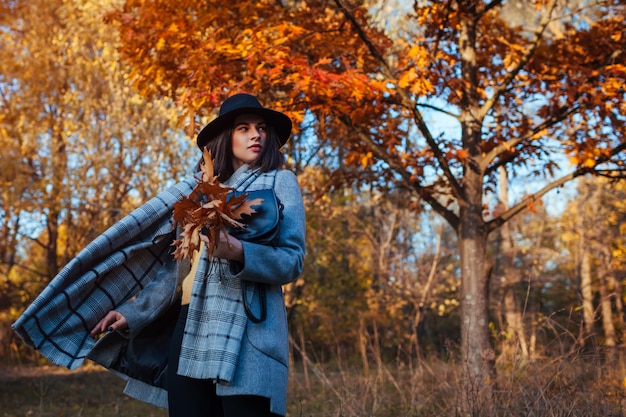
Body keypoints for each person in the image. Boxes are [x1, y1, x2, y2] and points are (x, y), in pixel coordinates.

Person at [12, 93, 306, 417]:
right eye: (244, 128)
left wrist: (239, 251)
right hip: (190, 323)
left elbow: (292, 260)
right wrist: (133, 311)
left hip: (248, 330)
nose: (256, 134)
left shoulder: (280, 182)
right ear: (225, 137)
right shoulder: (196, 192)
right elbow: (177, 271)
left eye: (262, 128)